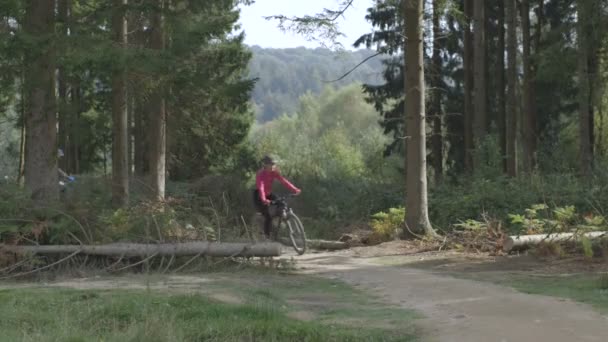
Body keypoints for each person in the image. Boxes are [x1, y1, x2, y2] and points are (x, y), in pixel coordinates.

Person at [253, 155, 300, 238]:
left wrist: (295, 189)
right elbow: (261, 187)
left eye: (273, 164)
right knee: (268, 215)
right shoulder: (261, 174)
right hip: (259, 196)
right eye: (271, 164)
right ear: (265, 165)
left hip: (268, 194)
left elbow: (283, 181)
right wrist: (264, 199)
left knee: (281, 202)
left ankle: (282, 217)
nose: (272, 166)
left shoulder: (274, 172)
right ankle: (266, 236)